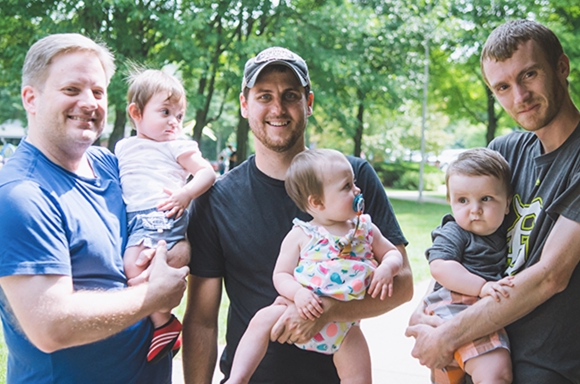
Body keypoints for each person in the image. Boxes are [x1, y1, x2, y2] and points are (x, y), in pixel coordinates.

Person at [406, 19, 580, 383]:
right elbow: (464, 238)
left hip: (543, 365)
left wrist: (447, 335)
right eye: (502, 86)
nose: (519, 96)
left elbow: (551, 276)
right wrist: (426, 315)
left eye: (529, 75)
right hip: (478, 347)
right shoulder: (505, 152)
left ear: (561, 67)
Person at [183, 46, 413, 384]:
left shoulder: (353, 178)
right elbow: (202, 320)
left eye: (290, 95)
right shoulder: (216, 198)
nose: (278, 108)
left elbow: (404, 284)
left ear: (309, 102)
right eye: (264, 96)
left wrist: (330, 312)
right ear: (245, 105)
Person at [0, 33, 189, 383]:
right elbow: (52, 326)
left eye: (98, 92)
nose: (89, 103)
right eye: (72, 90)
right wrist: (153, 295)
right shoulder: (20, 196)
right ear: (31, 98)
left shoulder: (109, 166)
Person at [227, 149, 404, 384]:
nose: (357, 190)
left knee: (359, 376)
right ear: (317, 202)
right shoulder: (302, 234)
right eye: (347, 186)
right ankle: (237, 378)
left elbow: (392, 253)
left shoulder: (365, 228)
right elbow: (281, 275)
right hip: (299, 310)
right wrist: (298, 294)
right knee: (261, 320)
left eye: (354, 183)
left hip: (345, 326)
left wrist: (387, 268)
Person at [115, 68, 216, 363]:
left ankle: (164, 323)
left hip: (162, 213)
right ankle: (161, 322)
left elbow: (206, 172)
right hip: (136, 218)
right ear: (136, 112)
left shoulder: (176, 145)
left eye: (179, 115)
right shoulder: (124, 146)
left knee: (133, 266)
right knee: (133, 267)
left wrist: (185, 194)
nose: (174, 122)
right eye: (165, 112)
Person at [423, 148, 515, 384]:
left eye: (486, 199)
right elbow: (440, 267)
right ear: (450, 202)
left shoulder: (505, 231)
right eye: (462, 200)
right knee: (496, 373)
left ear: (507, 204)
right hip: (454, 307)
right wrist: (481, 286)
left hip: (478, 310)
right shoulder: (455, 231)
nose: (474, 209)